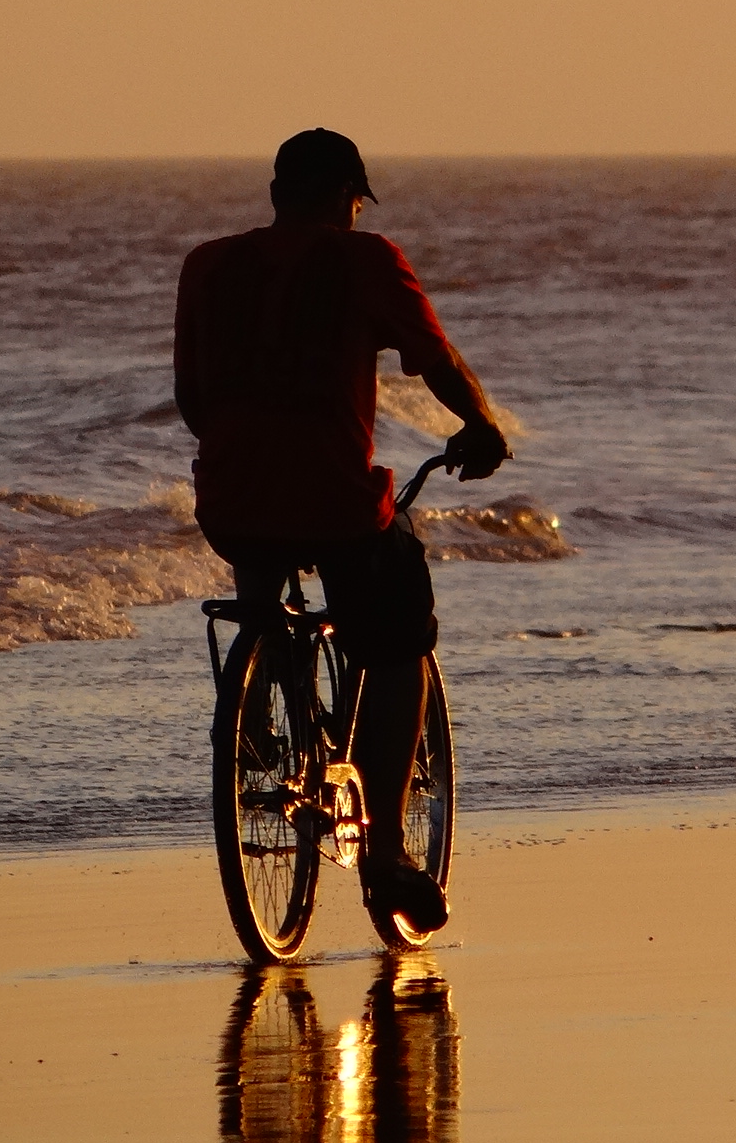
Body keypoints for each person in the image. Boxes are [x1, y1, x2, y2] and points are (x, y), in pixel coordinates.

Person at [174, 128, 510, 932]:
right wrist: (484, 425)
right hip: (332, 500)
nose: (358, 215)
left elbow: (193, 400)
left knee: (261, 585)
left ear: (276, 192)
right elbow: (436, 359)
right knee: (400, 644)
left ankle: (260, 714)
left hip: (231, 500)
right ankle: (389, 853)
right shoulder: (365, 261)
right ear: (340, 197)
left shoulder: (208, 265)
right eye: (357, 202)